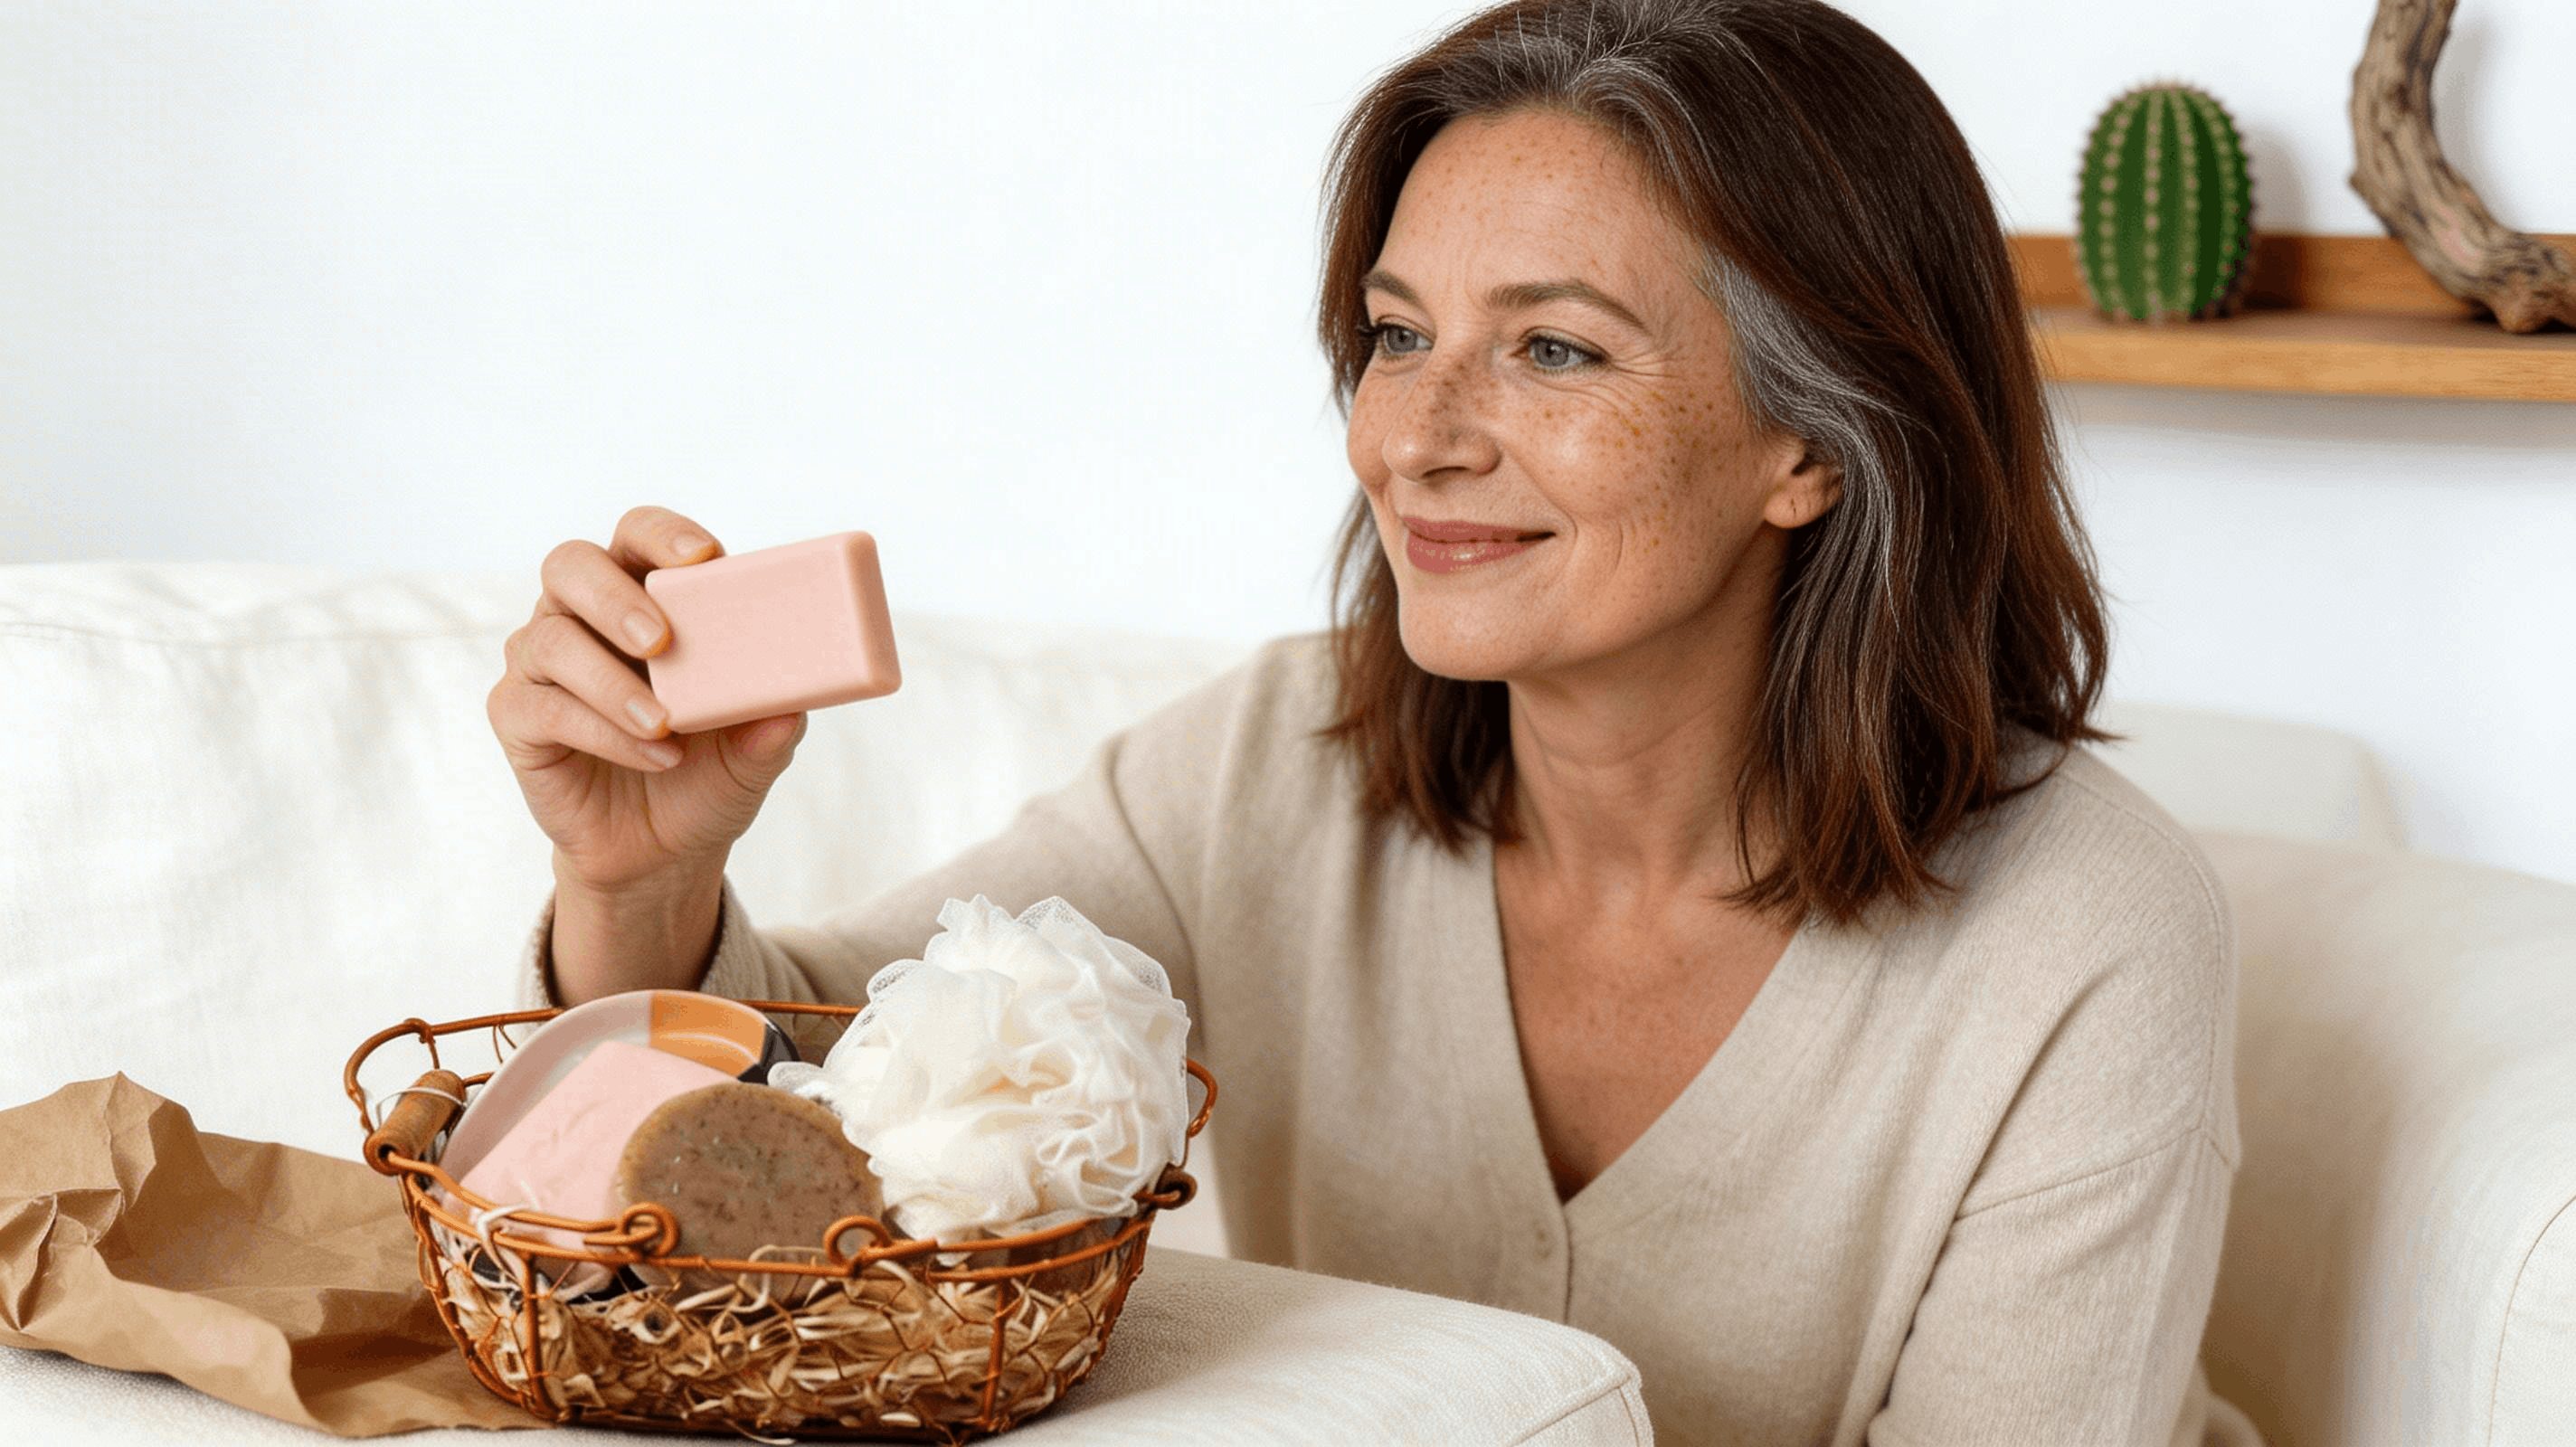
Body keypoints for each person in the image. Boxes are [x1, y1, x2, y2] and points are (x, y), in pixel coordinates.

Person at [487, 1, 2249, 1441]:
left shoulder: (2085, 937)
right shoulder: (1272, 765)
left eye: (1552, 351)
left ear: (1812, 438)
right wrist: (640, 878)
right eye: (1396, 336)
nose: (1413, 437)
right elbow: (820, 1126)